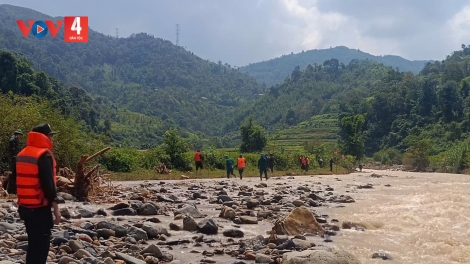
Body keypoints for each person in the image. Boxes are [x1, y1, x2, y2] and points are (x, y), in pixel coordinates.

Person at [16, 123, 61, 264]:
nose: (52, 139)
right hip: (40, 209)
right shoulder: (43, 156)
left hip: (24, 207)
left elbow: (15, 179)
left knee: (33, 245)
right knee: (41, 247)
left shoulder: (22, 154)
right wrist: (56, 209)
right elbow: (48, 185)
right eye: (50, 136)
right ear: (44, 137)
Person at [4, 129, 23, 194]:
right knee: (14, 163)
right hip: (14, 154)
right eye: (20, 135)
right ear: (18, 134)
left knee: (16, 163)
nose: (20, 136)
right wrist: (13, 147)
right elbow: (11, 141)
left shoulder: (16, 139)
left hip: (16, 154)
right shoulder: (13, 138)